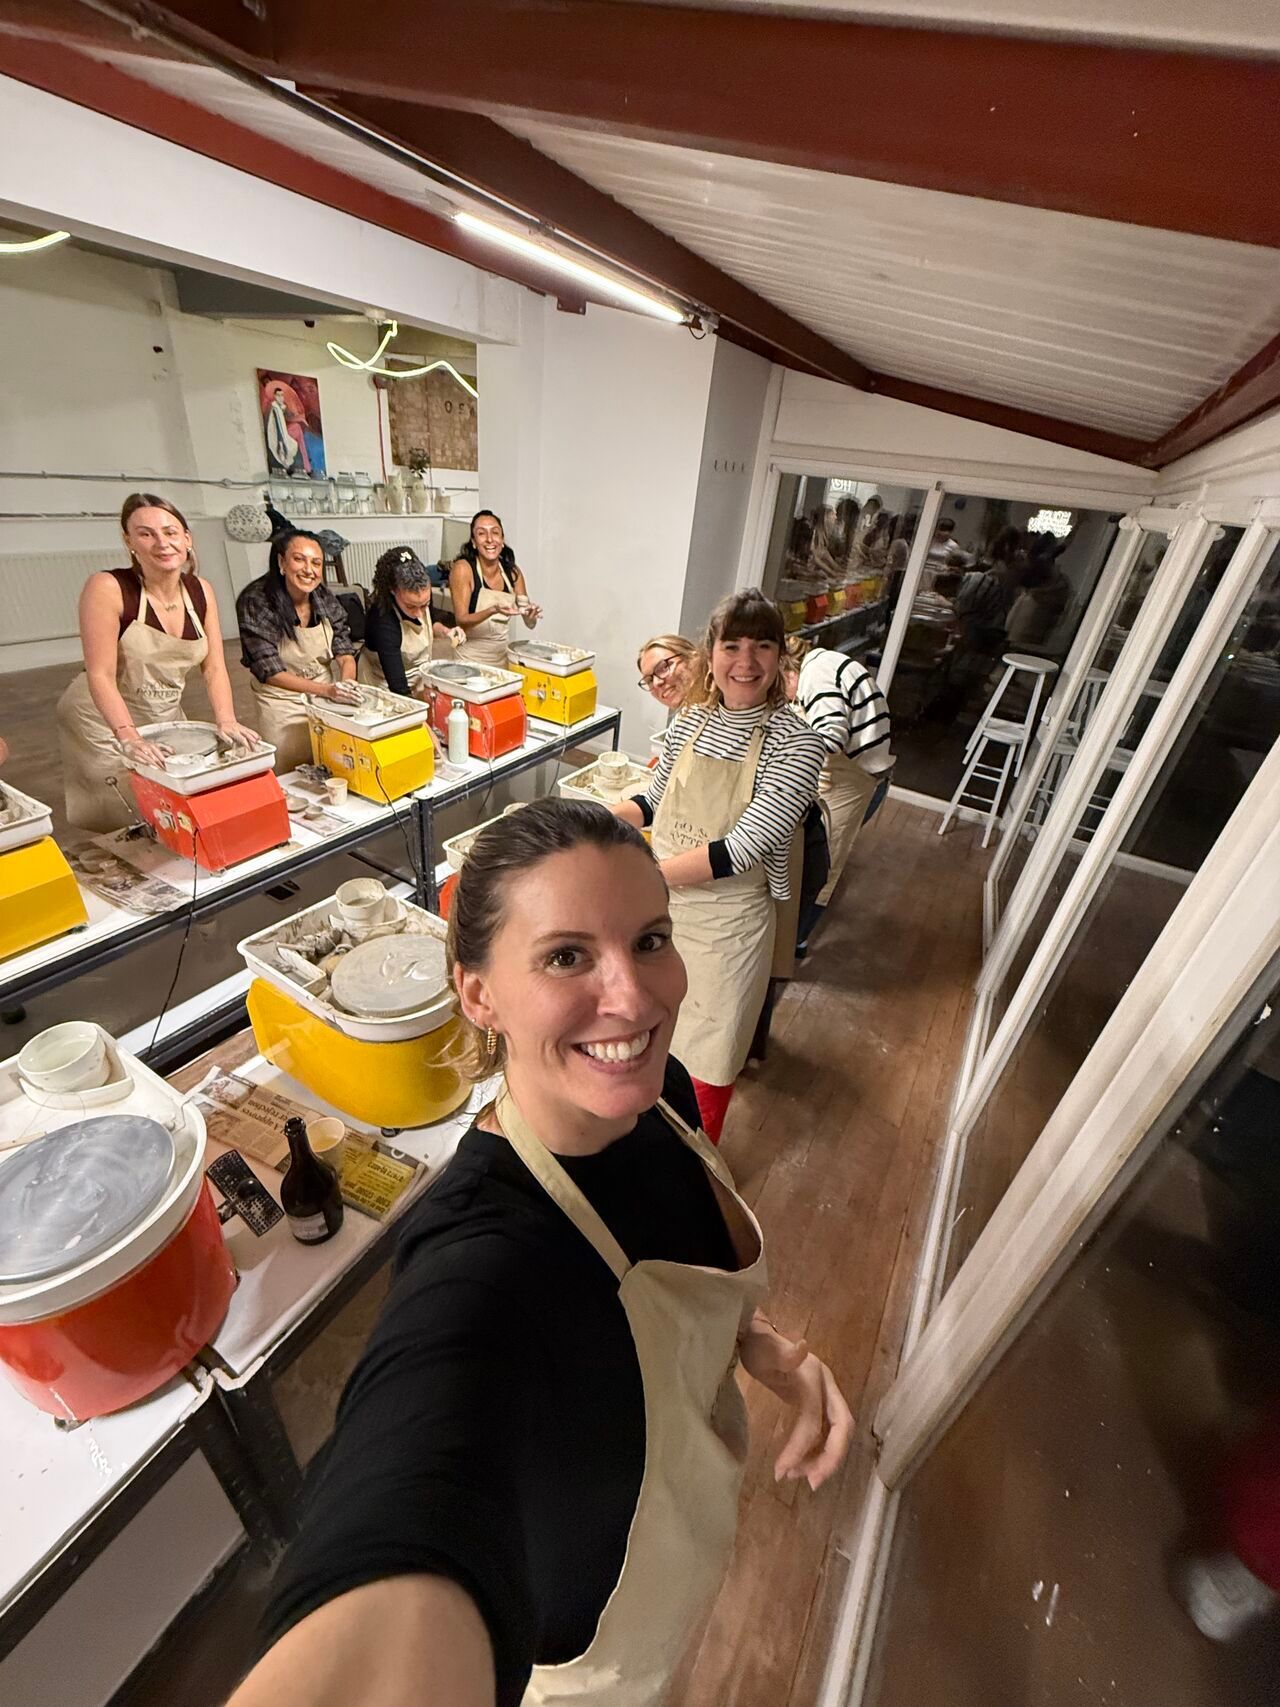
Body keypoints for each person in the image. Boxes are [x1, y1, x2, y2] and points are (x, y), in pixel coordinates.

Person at [226, 799, 851, 1707]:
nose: (634, 998)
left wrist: (758, 1343)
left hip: (674, 1574)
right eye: (566, 955)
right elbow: (418, 1464)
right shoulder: (484, 1261)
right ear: (477, 991)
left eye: (649, 940)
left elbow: (672, 1255)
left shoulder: (650, 1089)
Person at [611, 590, 824, 1142]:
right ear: (711, 652)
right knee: (645, 1041)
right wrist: (592, 821)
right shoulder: (692, 722)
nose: (746, 662)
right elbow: (652, 801)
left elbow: (742, 848)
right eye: (732, 645)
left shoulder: (797, 743)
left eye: (762, 646)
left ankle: (692, 1181)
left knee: (704, 1060)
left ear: (780, 656)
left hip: (728, 926)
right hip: (662, 919)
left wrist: (642, 881)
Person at [56, 492, 259, 831]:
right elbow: (101, 675)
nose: (161, 543)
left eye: (170, 532)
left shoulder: (200, 591)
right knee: (133, 808)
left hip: (161, 708)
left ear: (187, 539)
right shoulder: (108, 588)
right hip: (102, 717)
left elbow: (214, 668)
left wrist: (226, 719)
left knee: (180, 799)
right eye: (146, 533)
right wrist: (128, 736)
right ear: (129, 541)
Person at [782, 636, 893, 950]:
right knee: (806, 858)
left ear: (785, 671)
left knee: (822, 865)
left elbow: (830, 736)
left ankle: (795, 942)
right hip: (841, 775)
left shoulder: (815, 673)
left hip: (854, 780)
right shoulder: (821, 667)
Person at [236, 529, 360, 773]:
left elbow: (345, 652)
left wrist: (346, 686)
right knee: (290, 770)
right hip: (281, 701)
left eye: (316, 562)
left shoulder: (323, 598)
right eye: (299, 559)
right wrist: (328, 691)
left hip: (326, 694)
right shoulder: (257, 601)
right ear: (282, 562)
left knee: (333, 763)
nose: (308, 570)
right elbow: (269, 671)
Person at [360, 547, 464, 697]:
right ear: (393, 591)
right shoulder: (383, 621)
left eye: (425, 605)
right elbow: (398, 687)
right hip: (383, 686)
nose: (419, 613)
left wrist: (447, 632)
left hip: (415, 679)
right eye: (410, 606)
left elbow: (431, 622)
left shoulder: (421, 593)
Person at [449, 510, 541, 668]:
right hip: (469, 659)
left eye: (495, 533)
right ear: (473, 542)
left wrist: (530, 615)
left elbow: (529, 621)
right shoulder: (463, 569)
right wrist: (493, 609)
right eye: (481, 534)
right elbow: (461, 620)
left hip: (501, 658)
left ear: (502, 540)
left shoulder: (513, 573)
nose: (490, 539)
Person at [636, 633, 709, 717]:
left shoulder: (725, 708)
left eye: (663, 667)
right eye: (650, 680)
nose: (656, 683)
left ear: (694, 659)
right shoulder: (682, 722)